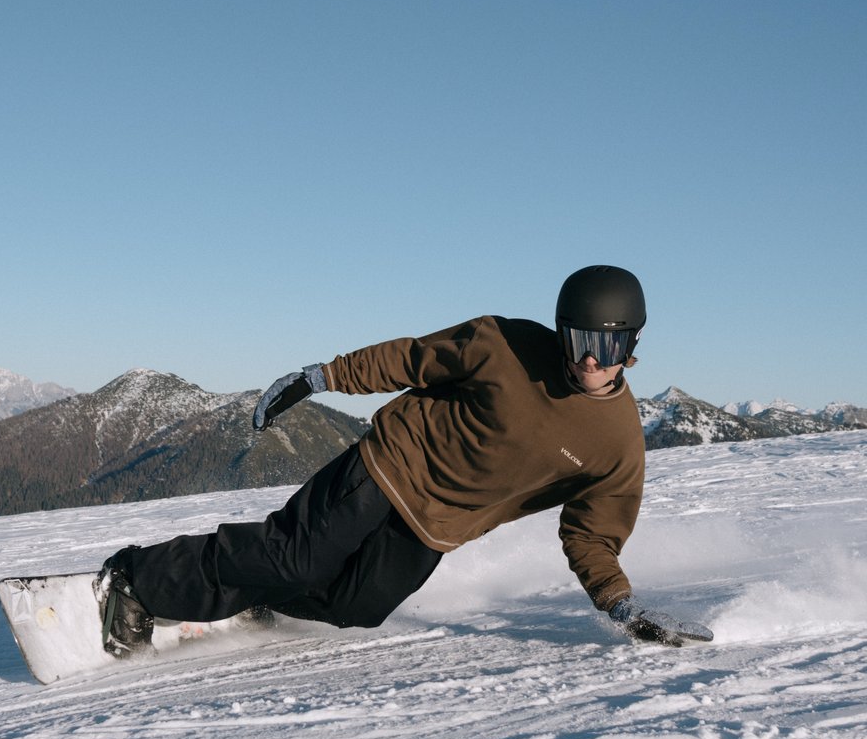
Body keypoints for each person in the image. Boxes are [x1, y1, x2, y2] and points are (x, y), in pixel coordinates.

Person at [96, 265, 713, 655]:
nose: (588, 360)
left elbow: (593, 535)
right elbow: (412, 358)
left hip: (436, 525)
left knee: (354, 609)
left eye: (607, 345)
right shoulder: (504, 344)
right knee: (296, 553)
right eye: (579, 340)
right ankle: (135, 578)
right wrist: (320, 377)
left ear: (631, 345)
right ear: (561, 331)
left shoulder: (618, 443)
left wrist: (621, 606)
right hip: (389, 466)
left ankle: (253, 589)